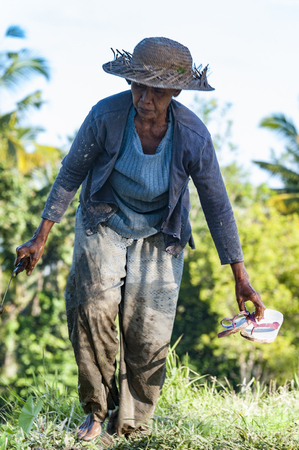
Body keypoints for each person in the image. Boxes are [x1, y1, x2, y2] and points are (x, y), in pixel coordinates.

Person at [15, 37, 266, 441]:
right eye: (138, 85)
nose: (144, 98)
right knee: (92, 307)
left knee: (149, 332)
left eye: (156, 90)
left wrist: (240, 277)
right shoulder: (106, 116)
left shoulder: (192, 135)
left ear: (175, 92)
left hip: (160, 232)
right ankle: (98, 409)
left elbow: (217, 204)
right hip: (105, 217)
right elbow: (70, 173)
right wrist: (39, 236)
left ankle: (132, 424)